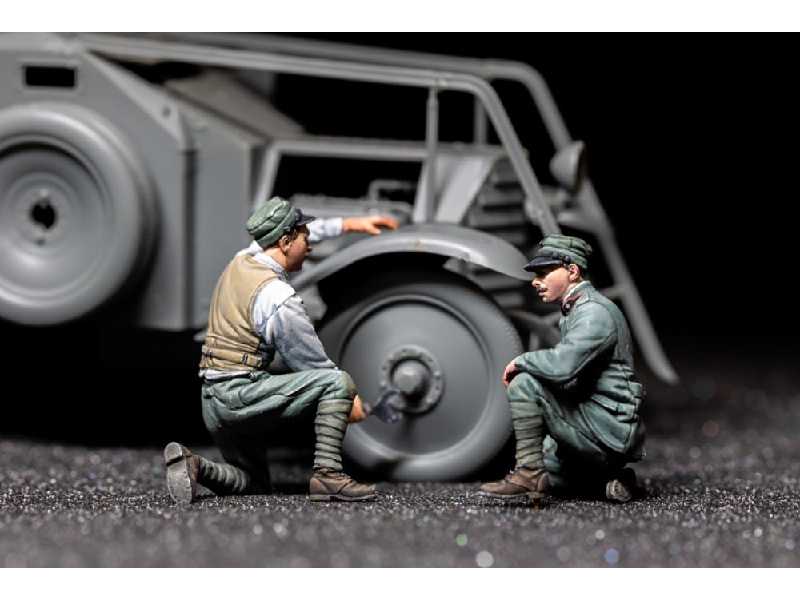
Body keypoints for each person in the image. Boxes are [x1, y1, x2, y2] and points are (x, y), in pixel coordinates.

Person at [164, 197, 398, 504]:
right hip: (239, 395)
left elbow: (293, 234)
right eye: (304, 236)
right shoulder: (277, 297)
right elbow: (312, 364)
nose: (310, 244)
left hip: (212, 399)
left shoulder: (244, 258)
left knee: (253, 483)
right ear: (285, 242)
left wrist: (348, 225)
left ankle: (195, 466)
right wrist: (348, 400)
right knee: (337, 382)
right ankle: (328, 476)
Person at [478, 234, 645, 503]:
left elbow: (563, 367)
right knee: (551, 467)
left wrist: (522, 361)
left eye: (544, 273)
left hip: (606, 427)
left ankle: (529, 474)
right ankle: (611, 480)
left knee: (525, 383)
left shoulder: (593, 314)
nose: (536, 281)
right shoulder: (577, 309)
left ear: (572, 271)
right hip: (593, 418)